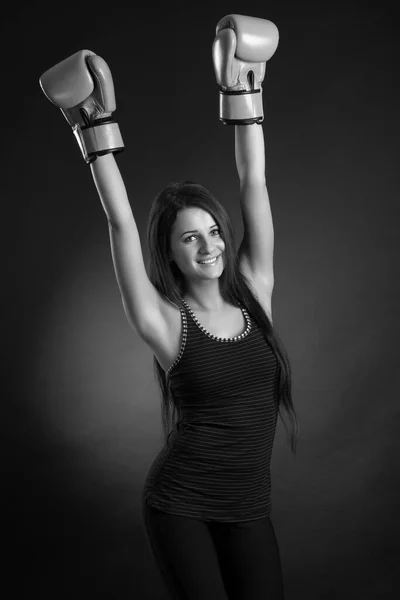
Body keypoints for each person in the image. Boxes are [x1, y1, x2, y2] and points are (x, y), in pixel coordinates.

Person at [39, 13, 299, 600]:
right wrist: (95, 127)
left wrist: (241, 91)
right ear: (173, 253)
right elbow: (122, 223)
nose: (209, 246)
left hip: (249, 508)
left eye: (213, 231)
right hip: (179, 504)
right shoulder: (163, 322)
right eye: (190, 237)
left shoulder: (257, 289)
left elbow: (252, 179)